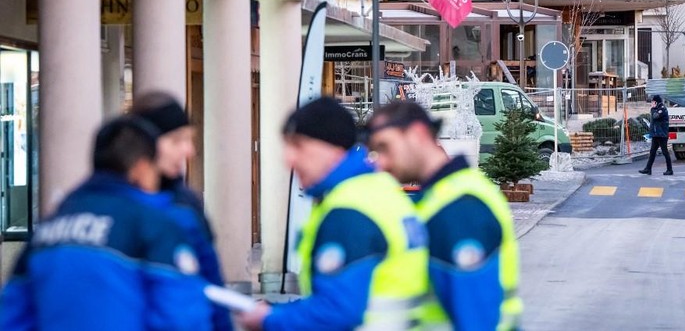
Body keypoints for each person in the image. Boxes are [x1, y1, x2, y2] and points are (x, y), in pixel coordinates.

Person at [0, 116, 211, 331]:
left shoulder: (46, 230)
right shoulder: (152, 225)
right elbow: (181, 316)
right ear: (141, 167)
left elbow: (13, 316)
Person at [236, 97, 428, 330]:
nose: (289, 160)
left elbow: (338, 311)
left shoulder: (348, 211)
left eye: (299, 146)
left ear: (333, 147)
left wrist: (269, 319)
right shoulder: (379, 191)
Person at [366, 101, 523, 331]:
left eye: (385, 147)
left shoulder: (459, 207)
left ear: (417, 134)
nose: (381, 162)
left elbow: (477, 320)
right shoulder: (447, 196)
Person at [130, 91, 231, 331]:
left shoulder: (187, 204)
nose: (189, 151)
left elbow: (211, 280)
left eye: (189, 140)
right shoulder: (112, 204)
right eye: (177, 140)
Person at [639, 94, 673, 176]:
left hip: (662, 135)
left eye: (653, 102)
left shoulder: (662, 109)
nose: (651, 103)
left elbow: (655, 116)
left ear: (656, 102)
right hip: (656, 134)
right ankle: (648, 169)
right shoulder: (656, 109)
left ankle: (670, 170)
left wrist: (653, 108)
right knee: (652, 152)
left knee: (665, 152)